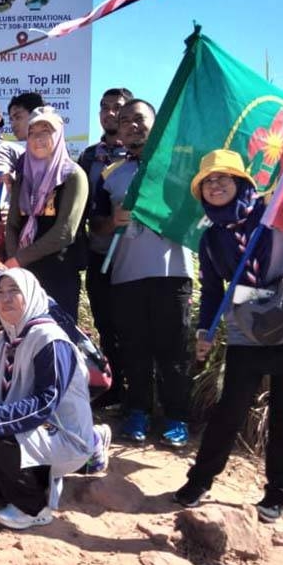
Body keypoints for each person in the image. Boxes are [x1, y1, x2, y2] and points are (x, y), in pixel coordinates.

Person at [174, 150, 283, 522]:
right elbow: (213, 291)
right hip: (248, 327)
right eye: (208, 181)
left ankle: (278, 493)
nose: (215, 185)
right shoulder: (211, 239)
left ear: (242, 181)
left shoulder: (275, 213)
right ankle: (200, 481)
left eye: (223, 177)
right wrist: (206, 330)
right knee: (230, 409)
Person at [0, 268, 104, 530]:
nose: (6, 298)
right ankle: (39, 479)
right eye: (0, 293)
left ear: (32, 294)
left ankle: (34, 508)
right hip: (29, 431)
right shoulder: (0, 341)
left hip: (63, 434)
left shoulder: (51, 339)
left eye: (14, 291)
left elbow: (46, 402)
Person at [90, 99, 194, 446]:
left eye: (139, 119)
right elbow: (96, 226)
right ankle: (137, 412)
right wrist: (112, 221)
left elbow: (197, 214)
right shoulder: (111, 175)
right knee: (134, 350)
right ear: (117, 131)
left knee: (173, 351)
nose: (132, 125)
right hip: (125, 277)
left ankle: (177, 417)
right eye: (124, 121)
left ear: (156, 122)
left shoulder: (179, 166)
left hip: (173, 275)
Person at [5, 107, 89, 320]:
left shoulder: (73, 175)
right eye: (32, 132)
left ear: (59, 134)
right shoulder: (23, 177)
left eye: (46, 131)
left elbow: (65, 232)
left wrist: (19, 258)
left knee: (56, 332)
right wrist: (14, 261)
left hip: (58, 274)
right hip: (24, 275)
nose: (38, 138)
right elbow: (13, 224)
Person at [78, 88, 131, 405]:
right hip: (99, 253)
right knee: (106, 325)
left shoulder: (142, 154)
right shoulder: (88, 157)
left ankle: (139, 396)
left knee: (132, 325)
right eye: (104, 107)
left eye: (117, 107)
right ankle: (114, 391)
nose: (110, 113)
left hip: (134, 256)